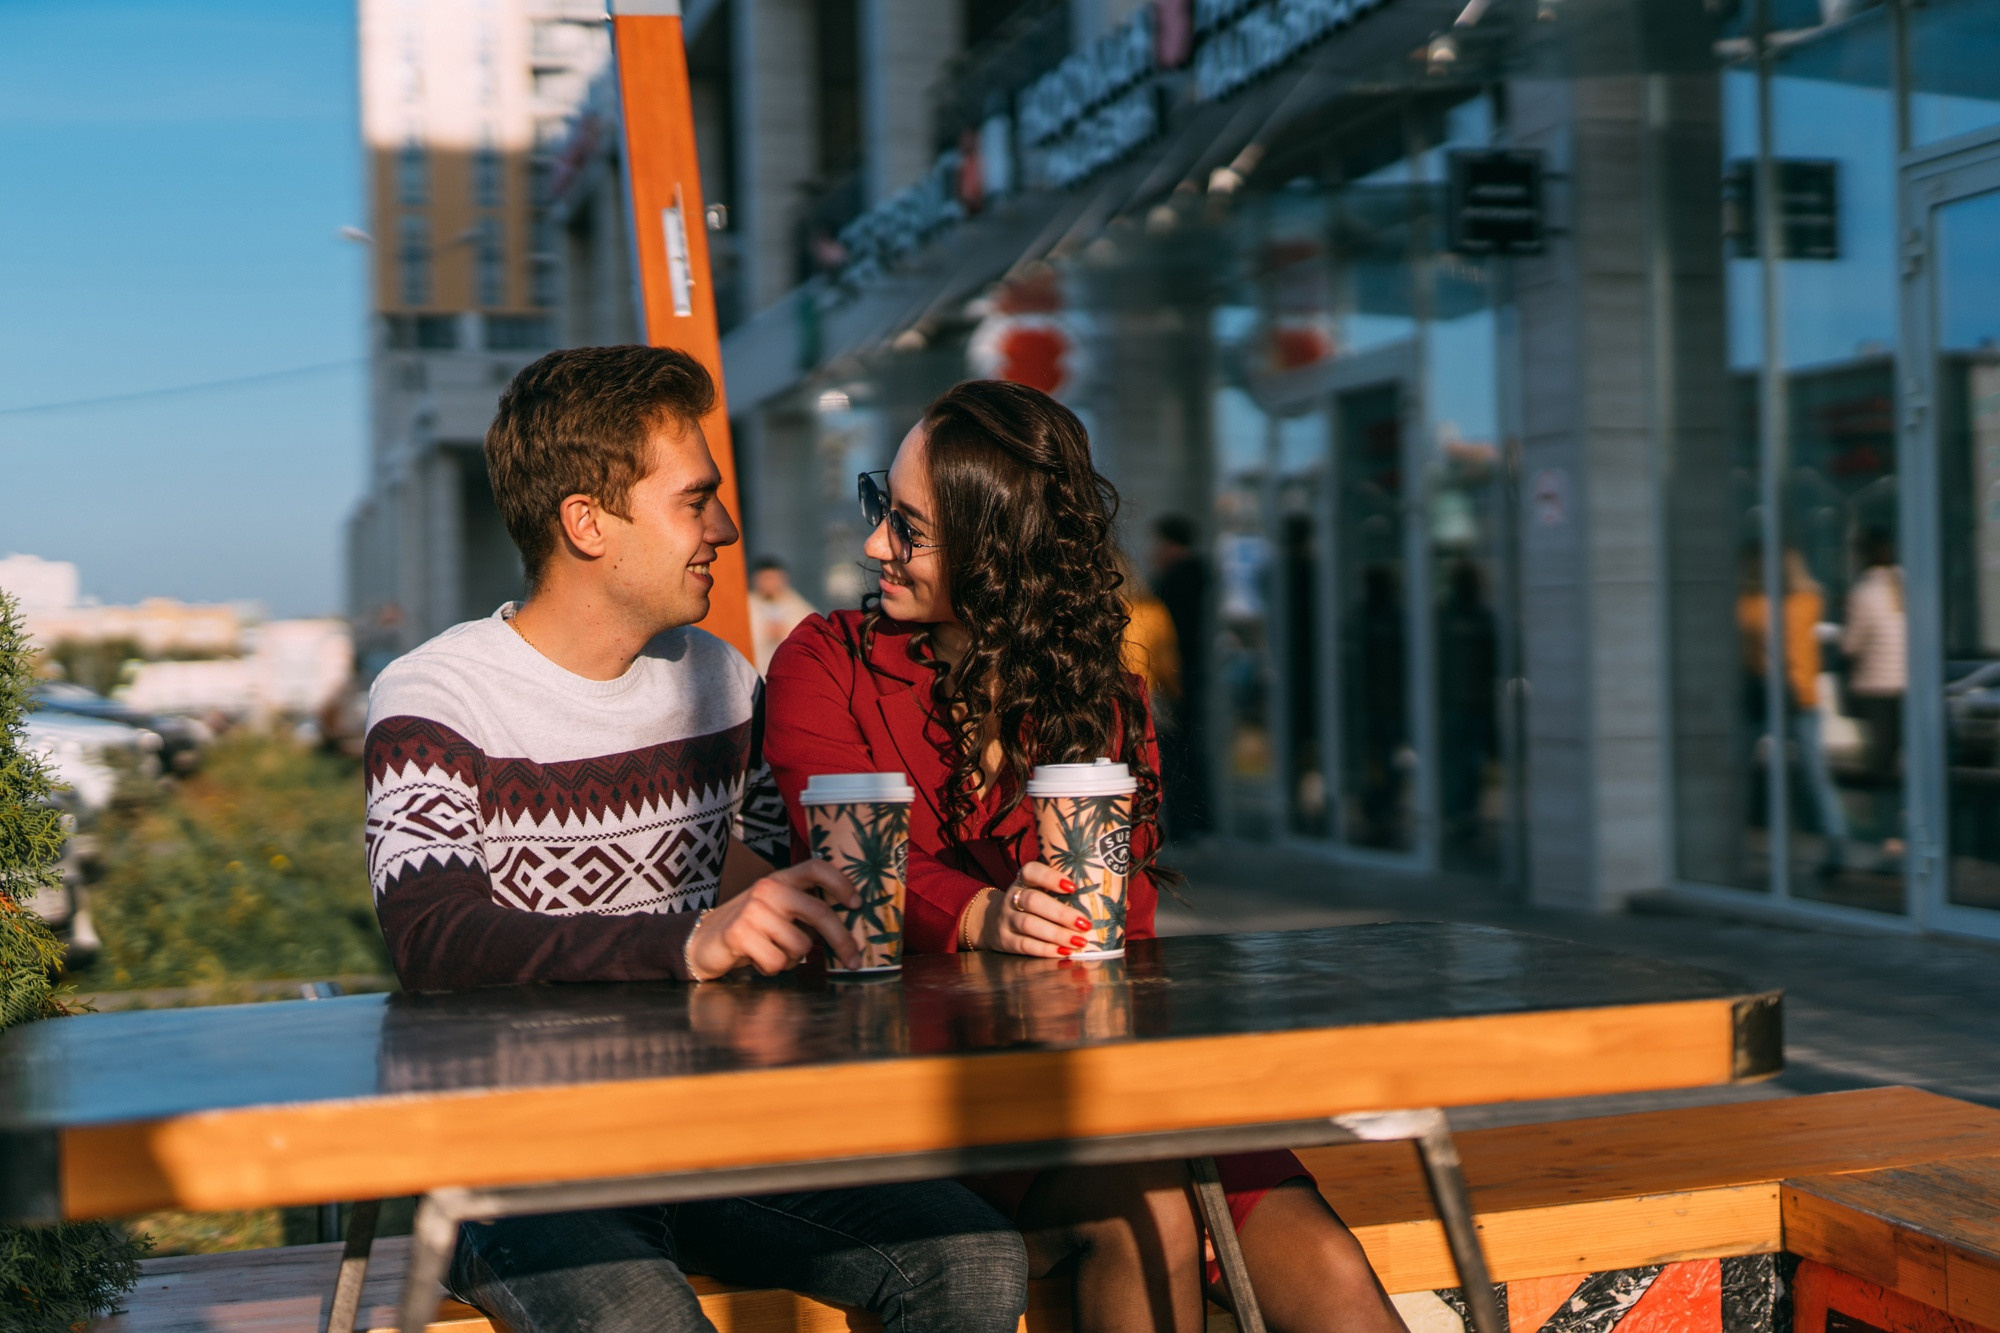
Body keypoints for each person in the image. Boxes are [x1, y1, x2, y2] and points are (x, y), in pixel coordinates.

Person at [362, 346, 1028, 1333]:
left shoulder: (718, 681)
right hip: (507, 1162)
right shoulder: (439, 695)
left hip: (706, 1133)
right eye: (694, 500)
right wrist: (688, 941)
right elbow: (433, 938)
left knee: (969, 1257)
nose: (723, 527)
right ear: (588, 523)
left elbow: (764, 883)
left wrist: (844, 904)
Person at [764, 380, 1406, 1333]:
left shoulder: (1096, 689)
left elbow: (1120, 933)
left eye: (907, 528)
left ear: (997, 551)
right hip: (919, 1090)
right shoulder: (825, 661)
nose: (872, 547)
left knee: (1330, 1268)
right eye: (878, 507)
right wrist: (982, 915)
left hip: (1100, 1077)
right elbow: (845, 868)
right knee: (1145, 1208)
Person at [1739, 546, 1850, 870]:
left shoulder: (1752, 606)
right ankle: (1836, 846)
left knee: (1737, 773)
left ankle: (1731, 841)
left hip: (1772, 695)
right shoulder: (1808, 602)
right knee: (1815, 777)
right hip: (1801, 697)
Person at [1149, 515, 1212, 842]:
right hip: (1183, 675)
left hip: (1175, 678)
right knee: (1185, 748)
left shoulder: (1177, 579)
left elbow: (1168, 640)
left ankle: (1188, 822)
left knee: (1177, 751)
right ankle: (1194, 822)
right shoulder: (1199, 574)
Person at [1843, 529, 1905, 855]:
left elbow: (1851, 644)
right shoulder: (1908, 584)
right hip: (1907, 688)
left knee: (1880, 766)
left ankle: (1887, 834)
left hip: (1876, 688)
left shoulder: (1864, 592)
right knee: (1903, 760)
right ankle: (1908, 828)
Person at [749, 556, 818, 675]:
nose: (769, 583)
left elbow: (812, 631)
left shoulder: (796, 604)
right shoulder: (749, 604)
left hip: (791, 669)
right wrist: (765, 632)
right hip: (758, 668)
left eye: (773, 578)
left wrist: (785, 631)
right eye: (765, 578)